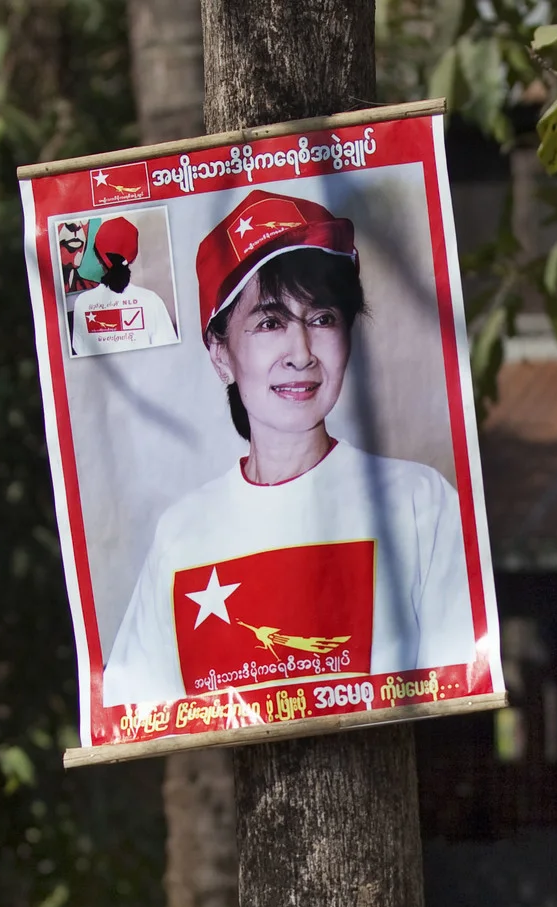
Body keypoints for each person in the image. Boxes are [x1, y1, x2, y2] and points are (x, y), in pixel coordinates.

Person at [99, 187, 472, 709]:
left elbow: (462, 681)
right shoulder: (183, 533)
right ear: (220, 353)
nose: (301, 353)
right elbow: (134, 712)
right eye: (271, 322)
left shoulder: (417, 501)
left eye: (322, 319)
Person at [66, 215, 176, 356]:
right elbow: (168, 354)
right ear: (133, 258)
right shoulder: (152, 300)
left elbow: (81, 352)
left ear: (98, 259)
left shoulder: (83, 302)